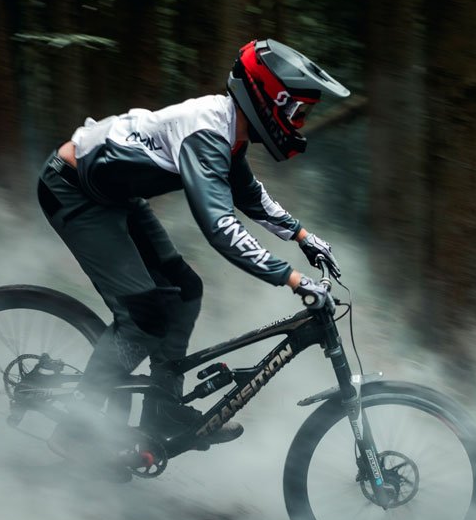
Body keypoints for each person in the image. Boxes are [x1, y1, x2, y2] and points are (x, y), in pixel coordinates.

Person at [37, 39, 348, 454]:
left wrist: (303, 237)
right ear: (270, 98)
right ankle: (77, 427)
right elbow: (220, 226)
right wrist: (292, 278)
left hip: (112, 196)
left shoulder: (229, 130)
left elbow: (249, 196)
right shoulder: (207, 133)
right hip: (73, 190)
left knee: (185, 292)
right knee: (143, 316)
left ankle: (161, 409)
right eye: (297, 112)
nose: (300, 124)